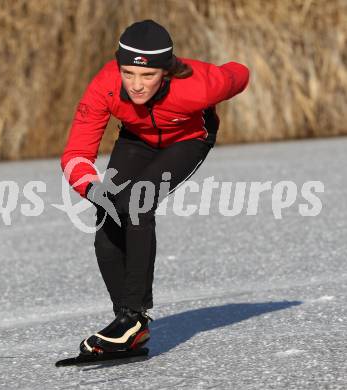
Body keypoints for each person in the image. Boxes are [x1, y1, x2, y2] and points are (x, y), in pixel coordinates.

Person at [60, 19, 249, 355]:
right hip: (136, 138)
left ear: (166, 71)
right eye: (129, 73)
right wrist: (92, 190)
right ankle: (128, 326)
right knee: (107, 218)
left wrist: (226, 75)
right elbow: (77, 153)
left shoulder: (200, 84)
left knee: (137, 202)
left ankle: (133, 315)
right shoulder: (104, 85)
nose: (136, 85)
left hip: (188, 140)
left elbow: (240, 72)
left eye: (147, 75)